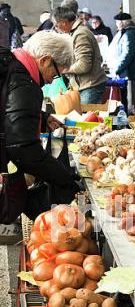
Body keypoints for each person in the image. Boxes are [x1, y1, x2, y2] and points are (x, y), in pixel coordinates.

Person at [0, 30, 80, 242]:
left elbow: (7, 107)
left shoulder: (11, 64)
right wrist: (63, 177)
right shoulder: (24, 82)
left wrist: (40, 118)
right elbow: (23, 148)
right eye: (54, 74)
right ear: (45, 60)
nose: (51, 81)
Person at [52, 6, 107, 104]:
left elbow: (84, 65)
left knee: (85, 119)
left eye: (56, 25)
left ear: (63, 22)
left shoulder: (80, 34)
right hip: (86, 85)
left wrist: (63, 69)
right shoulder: (77, 32)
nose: (56, 28)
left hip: (90, 86)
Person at [107, 12, 135, 113]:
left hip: (129, 73)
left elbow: (127, 54)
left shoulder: (130, 33)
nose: (116, 24)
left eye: (117, 22)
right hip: (126, 73)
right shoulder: (127, 32)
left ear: (122, 23)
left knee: (128, 101)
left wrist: (117, 69)